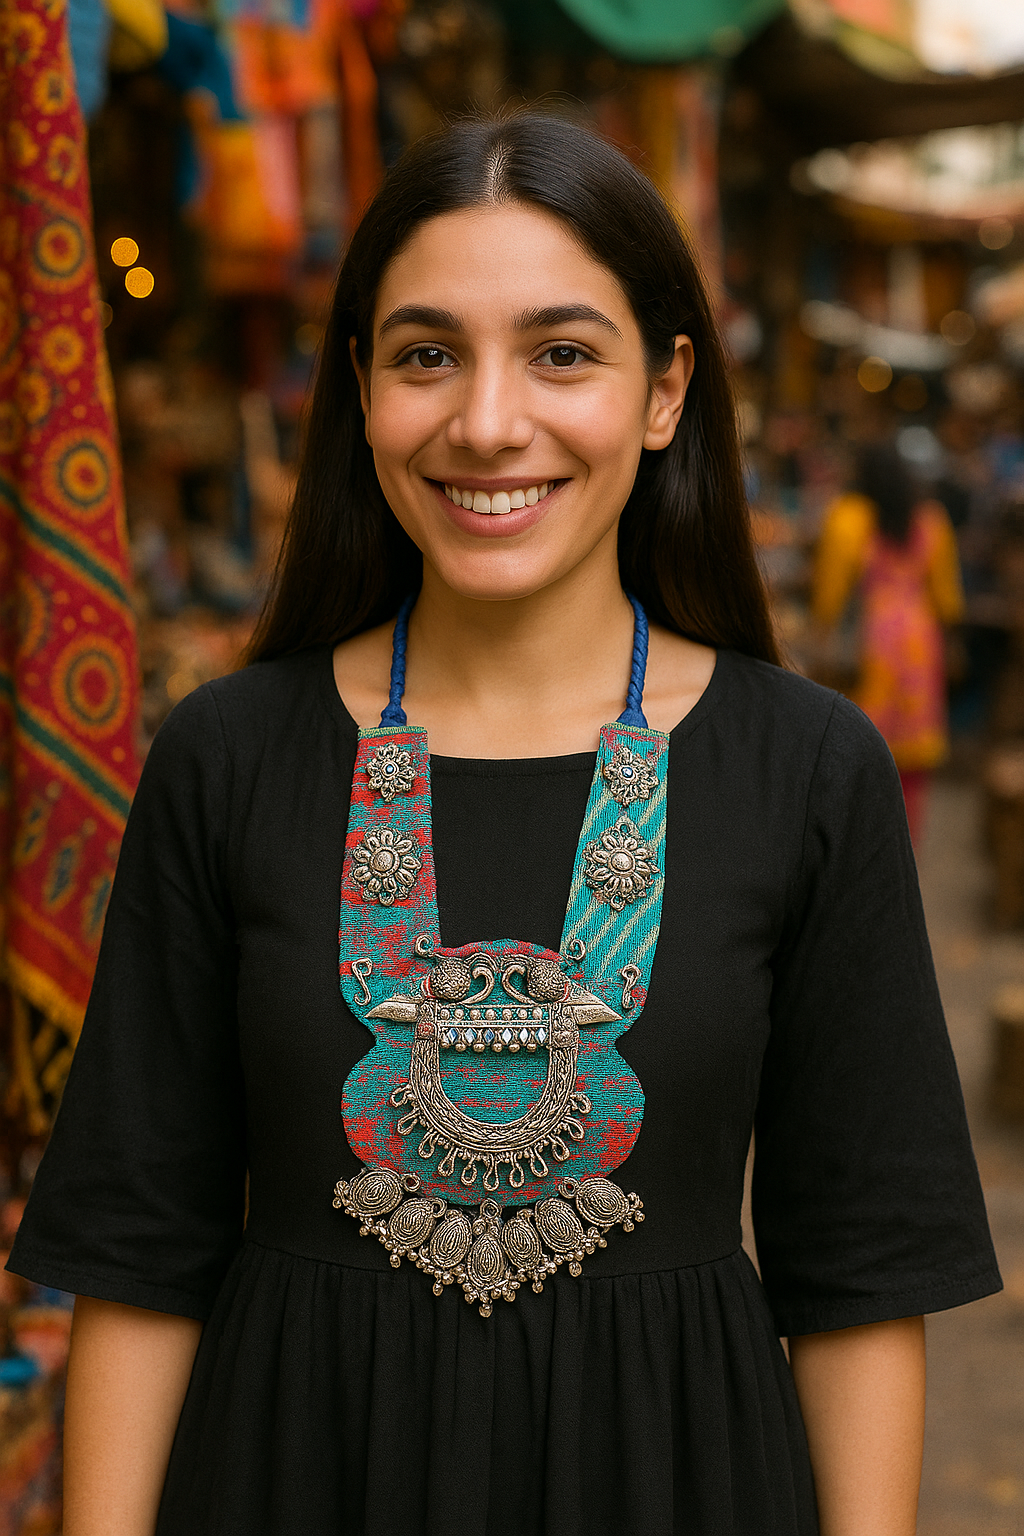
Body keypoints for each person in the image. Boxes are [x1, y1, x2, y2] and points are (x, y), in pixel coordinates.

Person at [8, 114, 999, 1536]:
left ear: (665, 391)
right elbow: (139, 1259)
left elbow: (860, 1285)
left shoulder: (810, 771)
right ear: (358, 391)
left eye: (561, 352)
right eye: (425, 355)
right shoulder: (226, 757)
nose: (486, 421)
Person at [812, 442, 965, 846]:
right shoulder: (931, 520)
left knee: (864, 743)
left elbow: (830, 593)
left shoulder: (848, 517)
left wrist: (822, 633)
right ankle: (907, 843)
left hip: (872, 642)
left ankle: (863, 843)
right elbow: (948, 595)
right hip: (918, 641)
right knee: (913, 758)